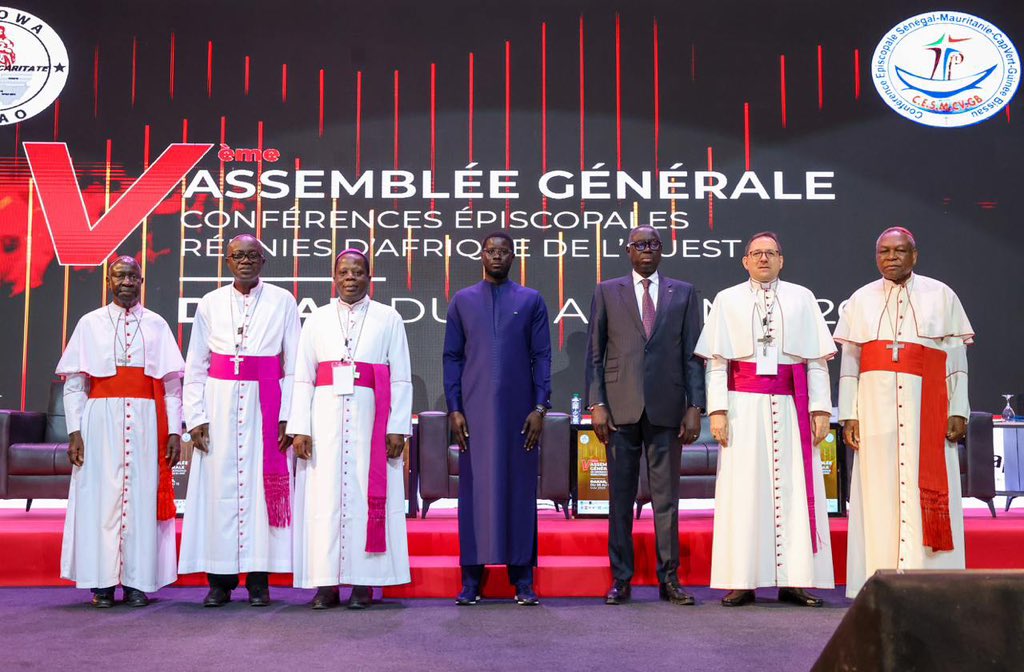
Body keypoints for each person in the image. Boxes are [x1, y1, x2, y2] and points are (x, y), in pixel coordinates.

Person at [695, 232, 836, 608]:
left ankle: (797, 579)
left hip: (793, 406)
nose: (763, 259)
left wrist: (821, 409)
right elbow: (717, 363)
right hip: (743, 406)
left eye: (770, 253)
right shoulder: (727, 299)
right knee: (744, 491)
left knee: (793, 488)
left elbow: (817, 362)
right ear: (745, 261)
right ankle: (742, 579)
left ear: (781, 260)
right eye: (756, 254)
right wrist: (718, 412)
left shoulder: (802, 298)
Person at [835, 227, 973, 598]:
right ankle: (877, 577)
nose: (891, 257)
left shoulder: (941, 294)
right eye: (884, 251)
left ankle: (932, 578)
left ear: (915, 255)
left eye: (899, 250)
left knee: (922, 483)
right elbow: (851, 362)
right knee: (876, 490)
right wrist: (850, 413)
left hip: (926, 405)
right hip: (875, 410)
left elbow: (956, 358)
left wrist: (959, 408)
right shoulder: (860, 300)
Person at [585, 225, 706, 605]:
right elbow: (595, 353)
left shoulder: (683, 293)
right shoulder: (607, 291)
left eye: (653, 244)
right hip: (619, 410)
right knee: (619, 499)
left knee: (666, 500)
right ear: (628, 251)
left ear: (662, 250)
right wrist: (597, 404)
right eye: (640, 245)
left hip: (668, 409)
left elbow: (692, 356)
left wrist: (694, 406)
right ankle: (621, 579)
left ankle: (669, 580)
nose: (647, 250)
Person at [287, 250, 413, 609]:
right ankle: (324, 584)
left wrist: (397, 427)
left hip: (370, 422)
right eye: (344, 272)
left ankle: (364, 582)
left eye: (357, 272)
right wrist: (300, 427)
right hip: (323, 422)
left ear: (369, 277)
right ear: (334, 277)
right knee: (323, 499)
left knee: (363, 495)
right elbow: (302, 377)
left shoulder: (388, 318)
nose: (350, 278)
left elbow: (401, 377)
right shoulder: (316, 319)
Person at [56, 256, 184, 608]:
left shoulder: (156, 324)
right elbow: (74, 385)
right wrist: (75, 432)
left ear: (142, 282)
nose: (127, 282)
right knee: (101, 499)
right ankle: (101, 583)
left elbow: (172, 385)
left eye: (133, 276)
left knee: (141, 499)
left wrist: (174, 431)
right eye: (120, 276)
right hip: (100, 421)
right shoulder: (90, 323)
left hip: (146, 421)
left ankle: (137, 583)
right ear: (109, 281)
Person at [180, 234, 301, 607]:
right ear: (227, 261)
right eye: (238, 256)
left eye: (253, 255)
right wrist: (195, 417)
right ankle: (220, 580)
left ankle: (259, 580)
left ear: (263, 261)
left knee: (261, 493)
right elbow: (196, 365)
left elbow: (294, 366)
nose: (245, 261)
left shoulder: (283, 300)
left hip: (266, 403)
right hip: (218, 402)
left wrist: (288, 416)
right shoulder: (210, 302)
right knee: (219, 490)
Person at [443, 231, 552, 606]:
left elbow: (542, 357)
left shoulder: (531, 300)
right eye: (491, 251)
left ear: (513, 257)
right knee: (474, 494)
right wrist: (454, 408)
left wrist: (540, 408)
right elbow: (452, 358)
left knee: (519, 492)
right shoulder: (462, 301)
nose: (497, 257)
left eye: (504, 252)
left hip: (520, 415)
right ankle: (471, 580)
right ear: (482, 255)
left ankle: (522, 580)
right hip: (473, 414)